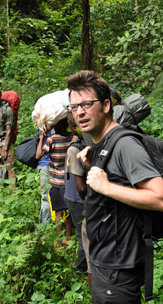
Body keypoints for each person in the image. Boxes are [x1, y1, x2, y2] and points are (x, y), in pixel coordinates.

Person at [67, 70, 163, 304]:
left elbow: (161, 199)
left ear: (105, 105)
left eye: (87, 104)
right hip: (107, 259)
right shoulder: (103, 142)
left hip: (119, 268)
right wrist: (92, 165)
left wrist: (105, 186)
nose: (79, 112)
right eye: (74, 107)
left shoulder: (125, 145)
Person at [36, 117, 72, 245]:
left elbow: (38, 155)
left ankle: (58, 241)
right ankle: (68, 238)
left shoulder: (53, 139)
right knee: (68, 211)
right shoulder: (72, 137)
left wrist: (42, 137)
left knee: (58, 212)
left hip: (56, 182)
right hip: (68, 180)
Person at [64, 113, 88, 274]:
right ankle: (80, 268)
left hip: (77, 196)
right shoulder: (75, 149)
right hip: (77, 198)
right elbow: (80, 187)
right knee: (82, 234)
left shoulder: (83, 144)